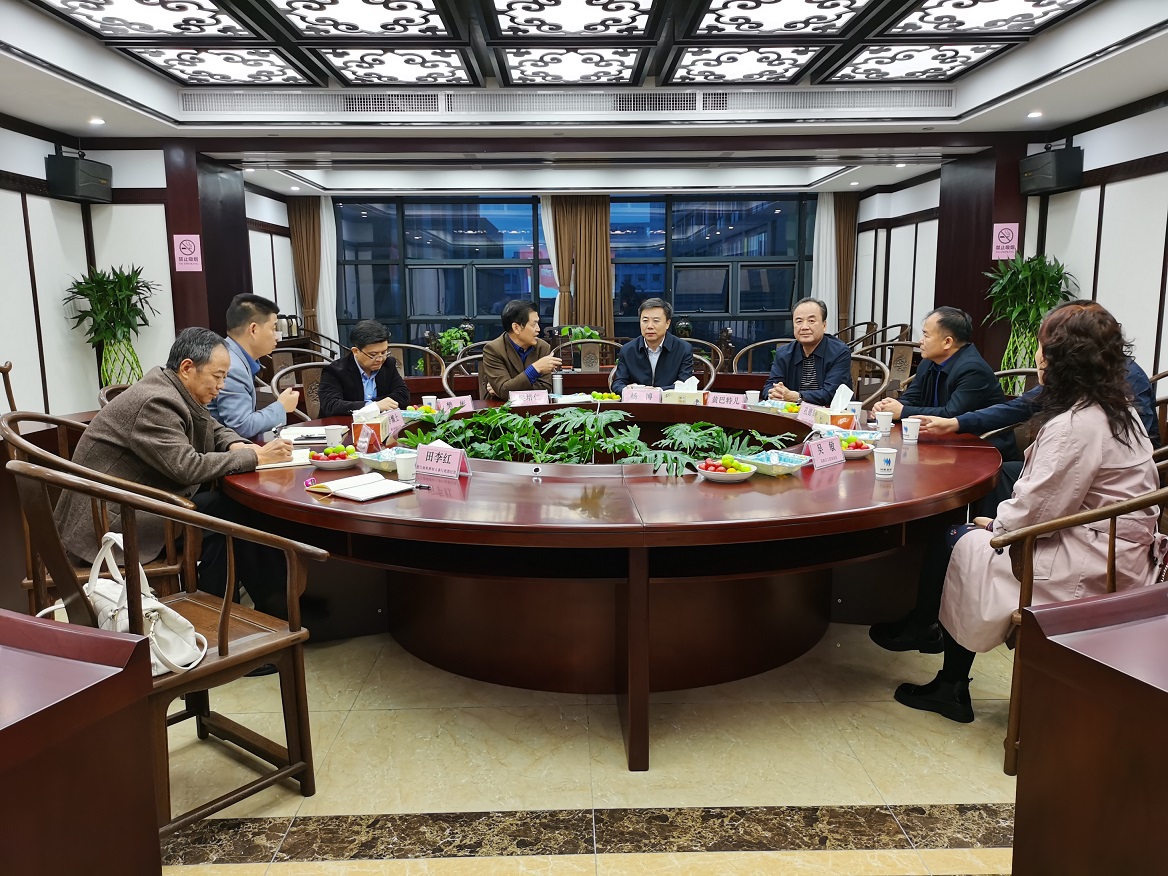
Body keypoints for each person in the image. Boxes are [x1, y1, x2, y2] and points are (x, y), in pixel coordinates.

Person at [893, 303, 1160, 723]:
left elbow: (1035, 512)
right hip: (1119, 553)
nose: (1037, 356)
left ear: (1058, 359)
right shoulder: (1115, 407)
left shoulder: (1076, 424)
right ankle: (941, 665)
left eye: (1041, 347)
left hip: (1092, 564)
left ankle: (950, 685)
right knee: (975, 532)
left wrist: (996, 526)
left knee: (959, 541)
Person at [56, 328, 295, 618]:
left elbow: (212, 426)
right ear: (187, 367)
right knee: (226, 517)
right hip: (112, 521)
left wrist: (236, 444)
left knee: (227, 515)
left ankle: (255, 611)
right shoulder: (157, 402)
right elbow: (186, 467)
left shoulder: (174, 387)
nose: (221, 386)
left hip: (138, 502)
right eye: (217, 376)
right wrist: (253, 457)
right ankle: (263, 611)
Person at [873, 306, 1019, 462]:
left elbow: (952, 415)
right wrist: (889, 407)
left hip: (982, 450)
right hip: (942, 444)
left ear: (947, 342)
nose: (920, 341)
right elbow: (912, 398)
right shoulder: (928, 362)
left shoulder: (973, 369)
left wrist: (902, 411)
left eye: (926, 335)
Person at [207, 293, 299, 440]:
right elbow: (242, 426)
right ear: (254, 330)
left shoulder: (230, 354)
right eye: (273, 328)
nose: (277, 336)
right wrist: (281, 406)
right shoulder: (232, 367)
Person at [762, 298, 852, 406]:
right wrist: (775, 393)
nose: (804, 327)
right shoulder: (784, 353)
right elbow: (769, 386)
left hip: (830, 413)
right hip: (792, 413)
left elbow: (831, 393)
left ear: (824, 325)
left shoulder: (839, 352)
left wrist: (797, 397)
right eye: (799, 321)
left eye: (811, 321)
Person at [319, 319, 410, 417]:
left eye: (384, 352)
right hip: (345, 424)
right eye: (373, 354)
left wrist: (377, 405)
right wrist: (374, 406)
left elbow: (403, 395)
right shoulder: (335, 371)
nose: (380, 359)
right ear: (356, 351)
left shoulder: (388, 364)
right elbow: (331, 405)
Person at [611, 297, 694, 393]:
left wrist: (657, 391)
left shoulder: (683, 349)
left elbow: (685, 385)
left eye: (656, 321)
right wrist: (628, 390)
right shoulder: (628, 350)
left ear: (667, 323)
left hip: (669, 401)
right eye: (645, 321)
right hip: (638, 401)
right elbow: (618, 384)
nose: (650, 326)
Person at [481, 299, 558, 401]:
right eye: (533, 324)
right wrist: (535, 369)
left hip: (535, 407)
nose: (538, 329)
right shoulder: (493, 349)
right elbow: (504, 391)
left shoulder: (543, 347)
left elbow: (545, 389)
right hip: (502, 407)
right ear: (516, 328)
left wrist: (507, 389)